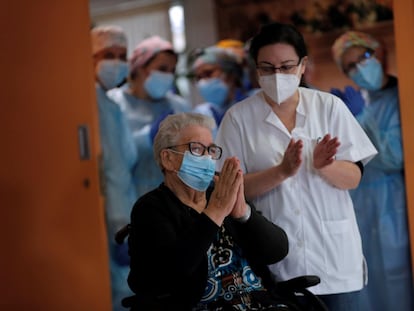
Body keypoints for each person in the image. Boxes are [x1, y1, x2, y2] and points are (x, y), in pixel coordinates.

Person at [215, 22, 378, 311]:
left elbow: (353, 177)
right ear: (256, 69)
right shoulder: (238, 119)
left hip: (334, 259)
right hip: (272, 265)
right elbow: (229, 190)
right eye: (267, 68)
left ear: (303, 65)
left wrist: (324, 166)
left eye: (287, 66)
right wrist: (281, 172)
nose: (277, 76)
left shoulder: (329, 107)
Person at [125, 112, 290, 310]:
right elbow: (170, 275)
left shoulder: (220, 195)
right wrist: (215, 212)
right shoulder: (151, 208)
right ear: (168, 159)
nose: (207, 158)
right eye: (196, 149)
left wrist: (243, 214)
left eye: (211, 150)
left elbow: (277, 251)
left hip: (258, 303)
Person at [331, 30, 414, 311]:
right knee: (366, 276)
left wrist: (360, 118)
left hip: (393, 199)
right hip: (360, 201)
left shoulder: (400, 96)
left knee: (396, 273)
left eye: (364, 57)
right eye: (350, 66)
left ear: (379, 53)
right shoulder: (360, 100)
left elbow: (394, 158)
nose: (359, 68)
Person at [108, 35, 190, 199]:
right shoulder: (115, 103)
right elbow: (114, 157)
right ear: (140, 68)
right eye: (162, 68)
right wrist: (147, 137)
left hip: (175, 199)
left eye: (172, 70)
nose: (168, 75)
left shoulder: (178, 106)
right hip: (131, 199)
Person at [91, 25, 137, 311]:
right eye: (109, 55)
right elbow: (112, 172)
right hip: (113, 218)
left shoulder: (109, 104)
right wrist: (121, 226)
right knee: (120, 293)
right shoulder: (93, 103)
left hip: (121, 213)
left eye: (122, 55)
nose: (117, 63)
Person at [189, 46, 246, 137]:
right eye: (199, 77)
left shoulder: (255, 103)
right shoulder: (203, 113)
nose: (203, 82)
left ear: (230, 72)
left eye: (208, 73)